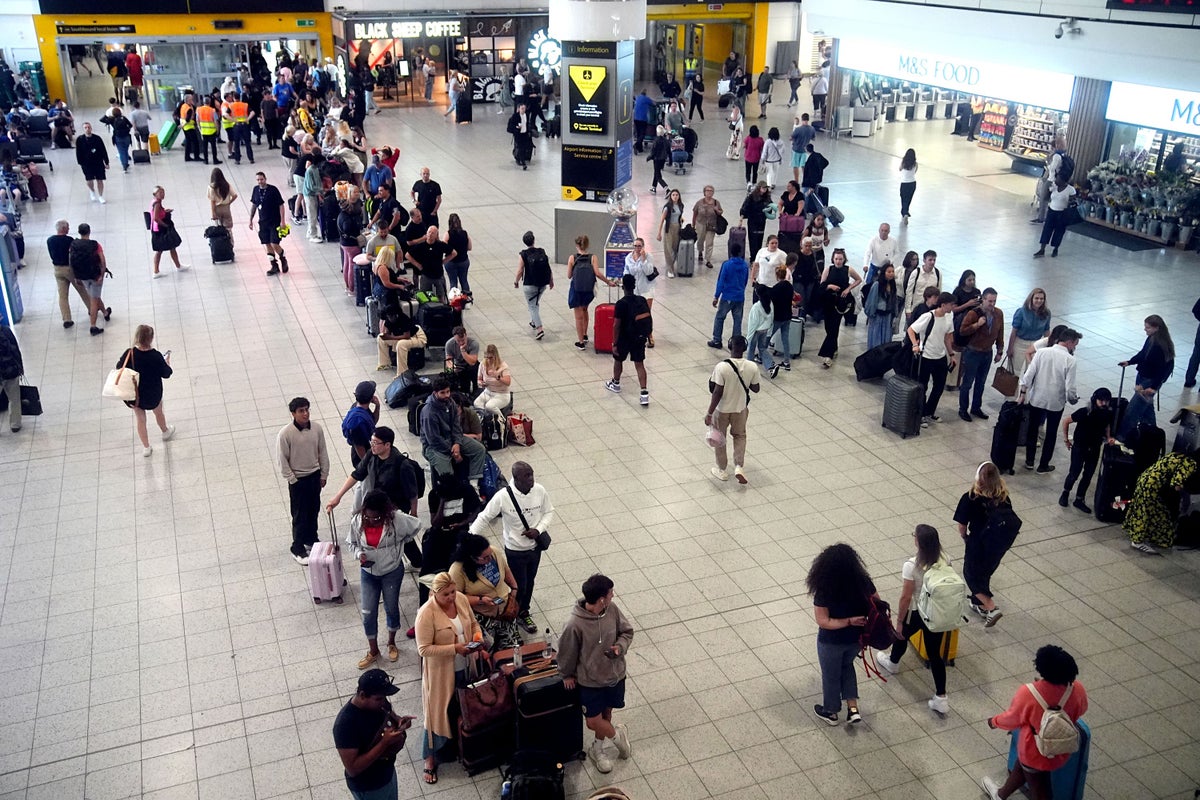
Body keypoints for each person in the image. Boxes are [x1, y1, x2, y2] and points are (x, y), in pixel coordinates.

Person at [981, 645, 1088, 800]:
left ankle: (1000, 795)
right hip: (1061, 748)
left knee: (1039, 789)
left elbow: (1013, 718)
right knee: (1023, 768)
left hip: (1034, 751)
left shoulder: (1028, 693)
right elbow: (1081, 709)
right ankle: (1000, 794)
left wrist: (994, 721)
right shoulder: (1077, 689)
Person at [558, 574, 634, 774]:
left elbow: (626, 632)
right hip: (590, 681)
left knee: (606, 714)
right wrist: (566, 675)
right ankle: (618, 737)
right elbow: (566, 652)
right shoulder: (574, 624)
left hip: (615, 675)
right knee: (593, 721)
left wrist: (620, 647)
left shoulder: (612, 610)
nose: (613, 596)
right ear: (601, 598)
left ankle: (597, 749)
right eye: (610, 593)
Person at [414, 572, 484, 785]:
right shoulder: (426, 614)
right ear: (434, 593)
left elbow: (473, 622)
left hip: (466, 665)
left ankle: (457, 746)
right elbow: (423, 649)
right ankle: (430, 758)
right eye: (446, 594)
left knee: (462, 707)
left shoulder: (461, 599)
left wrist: (478, 638)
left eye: (453, 591)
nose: (452, 597)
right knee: (437, 713)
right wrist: (454, 648)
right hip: (441, 673)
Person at [469, 461, 554, 635]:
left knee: (530, 581)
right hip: (515, 550)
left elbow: (548, 512)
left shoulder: (539, 490)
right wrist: (470, 538)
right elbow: (484, 517)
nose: (531, 479)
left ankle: (523, 611)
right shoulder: (503, 496)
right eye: (527, 476)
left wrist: (538, 530)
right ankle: (513, 615)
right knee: (519, 585)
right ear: (515, 478)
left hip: (535, 548)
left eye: (531, 474)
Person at [875, 525, 951, 714]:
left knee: (901, 636)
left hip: (917, 611)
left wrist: (899, 621)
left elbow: (906, 597)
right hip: (937, 613)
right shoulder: (946, 559)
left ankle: (893, 663)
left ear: (918, 541)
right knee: (935, 654)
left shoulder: (911, 565)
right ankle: (941, 697)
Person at [345, 489, 422, 669]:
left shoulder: (397, 519)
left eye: (377, 518)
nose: (372, 521)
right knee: (367, 612)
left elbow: (416, 525)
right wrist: (359, 554)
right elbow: (351, 542)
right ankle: (373, 651)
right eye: (368, 517)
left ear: (385, 513)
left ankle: (391, 643)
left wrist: (400, 544)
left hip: (392, 571)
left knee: (391, 607)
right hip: (369, 572)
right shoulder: (357, 521)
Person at [807, 543, 879, 725]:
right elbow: (878, 603)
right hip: (856, 639)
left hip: (831, 641)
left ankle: (830, 712)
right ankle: (853, 708)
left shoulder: (824, 588)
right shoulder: (863, 582)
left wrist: (847, 620)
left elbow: (824, 621)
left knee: (831, 675)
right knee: (846, 666)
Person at [333, 668, 412, 800]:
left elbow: (389, 714)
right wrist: (384, 743)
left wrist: (399, 721)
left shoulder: (379, 702)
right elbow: (353, 768)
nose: (384, 702)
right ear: (363, 695)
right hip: (369, 787)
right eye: (379, 699)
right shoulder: (345, 724)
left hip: (387, 773)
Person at [954, 462, 1015, 626]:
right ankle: (978, 603)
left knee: (971, 574)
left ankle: (991, 607)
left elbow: (961, 524)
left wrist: (964, 537)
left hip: (978, 543)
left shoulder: (971, 497)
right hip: (997, 545)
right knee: (985, 573)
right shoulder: (1003, 497)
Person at [1020, 328, 1081, 472]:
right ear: (1069, 342)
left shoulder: (1041, 353)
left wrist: (1023, 392)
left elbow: (1029, 375)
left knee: (1032, 430)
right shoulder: (1070, 360)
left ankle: (1029, 461)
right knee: (1051, 433)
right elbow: (1070, 387)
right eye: (1075, 345)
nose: (1075, 348)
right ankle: (1043, 465)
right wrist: (1073, 399)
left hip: (1037, 398)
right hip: (1055, 402)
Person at [277, 397, 329, 565]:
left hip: (314, 476)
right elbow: (282, 460)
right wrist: (292, 480)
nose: (305, 413)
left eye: (307, 409)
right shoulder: (286, 434)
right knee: (299, 514)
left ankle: (311, 538)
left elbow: (322, 452)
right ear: (293, 413)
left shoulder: (317, 429)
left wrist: (323, 474)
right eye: (301, 411)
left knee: (313, 509)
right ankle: (297, 547)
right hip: (298, 479)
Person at [706, 335, 761, 483]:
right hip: (740, 409)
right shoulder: (752, 366)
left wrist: (709, 412)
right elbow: (756, 389)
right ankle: (738, 466)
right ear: (745, 348)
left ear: (730, 347)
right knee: (740, 436)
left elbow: (716, 392)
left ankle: (722, 469)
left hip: (722, 410)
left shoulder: (722, 367)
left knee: (719, 438)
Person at [449, 533, 519, 648]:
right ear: (472, 557)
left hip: (505, 612)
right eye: (485, 558)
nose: (490, 558)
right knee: (488, 649)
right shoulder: (457, 571)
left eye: (490, 554)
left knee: (509, 649)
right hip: (482, 618)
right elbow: (455, 597)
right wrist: (480, 600)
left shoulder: (494, 553)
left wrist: (514, 589)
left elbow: (505, 569)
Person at [117, 325, 176, 457]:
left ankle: (146, 447)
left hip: (134, 395)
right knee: (158, 412)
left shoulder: (129, 353)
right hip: (153, 395)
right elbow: (167, 373)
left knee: (140, 419)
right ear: (151, 339)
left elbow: (119, 367)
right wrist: (166, 363)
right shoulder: (155, 356)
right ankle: (165, 431)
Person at [1117, 315, 1175, 441]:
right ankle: (1152, 435)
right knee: (1147, 409)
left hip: (1149, 381)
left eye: (1148, 327)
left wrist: (1153, 387)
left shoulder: (1159, 346)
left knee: (1133, 410)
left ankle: (1122, 437)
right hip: (1143, 377)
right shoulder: (1152, 339)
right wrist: (1130, 361)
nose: (1145, 330)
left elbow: (1161, 369)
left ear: (1156, 328)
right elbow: (1143, 354)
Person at [419, 376, 487, 482]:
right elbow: (434, 440)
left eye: (448, 391)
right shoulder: (428, 413)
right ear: (435, 393)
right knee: (448, 475)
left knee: (479, 450)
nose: (446, 395)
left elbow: (456, 426)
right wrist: (454, 453)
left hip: (452, 439)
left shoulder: (451, 403)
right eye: (443, 393)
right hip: (434, 447)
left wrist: (457, 443)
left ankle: (474, 483)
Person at [1059, 388, 1115, 513]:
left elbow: (1107, 425)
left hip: (1095, 448)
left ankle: (1079, 499)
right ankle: (1065, 493)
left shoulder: (1107, 413)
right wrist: (1066, 440)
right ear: (1095, 399)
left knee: (1088, 475)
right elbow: (1066, 421)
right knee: (1074, 473)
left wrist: (1109, 437)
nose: (1104, 404)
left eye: (1106, 401)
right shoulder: (1085, 412)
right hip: (1080, 447)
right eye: (1101, 401)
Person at [907, 291, 957, 424]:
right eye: (951, 305)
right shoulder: (928, 316)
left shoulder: (949, 316)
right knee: (923, 387)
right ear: (943, 304)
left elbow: (947, 337)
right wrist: (914, 345)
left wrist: (951, 354)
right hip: (926, 356)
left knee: (939, 386)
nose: (953, 307)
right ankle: (920, 414)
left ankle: (929, 412)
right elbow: (911, 329)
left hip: (940, 356)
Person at [957, 288, 1005, 422]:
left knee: (981, 382)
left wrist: (999, 350)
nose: (992, 304)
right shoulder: (974, 313)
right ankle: (963, 409)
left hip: (987, 353)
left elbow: (1000, 333)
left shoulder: (998, 314)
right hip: (973, 352)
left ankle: (976, 407)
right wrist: (976, 325)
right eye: (989, 301)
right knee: (967, 383)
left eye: (994, 301)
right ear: (983, 299)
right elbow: (963, 331)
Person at [606, 274, 652, 403]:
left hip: (624, 338)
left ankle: (615, 383)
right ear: (634, 286)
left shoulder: (621, 304)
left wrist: (614, 343)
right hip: (639, 337)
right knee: (639, 364)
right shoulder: (642, 300)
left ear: (623, 287)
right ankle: (644, 393)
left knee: (618, 360)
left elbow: (616, 325)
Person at [567, 235, 616, 350]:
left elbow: (569, 275)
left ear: (577, 245)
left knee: (578, 317)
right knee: (585, 309)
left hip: (576, 290)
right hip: (588, 290)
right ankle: (585, 335)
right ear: (587, 245)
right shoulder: (592, 258)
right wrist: (608, 282)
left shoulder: (572, 258)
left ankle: (581, 342)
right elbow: (597, 273)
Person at [817, 248, 863, 369]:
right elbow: (821, 286)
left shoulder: (848, 270)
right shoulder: (828, 269)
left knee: (834, 327)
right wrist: (829, 286)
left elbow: (859, 279)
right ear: (833, 259)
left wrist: (849, 288)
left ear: (844, 259)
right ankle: (834, 347)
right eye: (836, 259)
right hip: (828, 302)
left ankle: (827, 355)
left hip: (840, 303)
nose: (838, 261)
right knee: (829, 327)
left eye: (840, 259)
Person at [68, 223, 110, 336]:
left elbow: (71, 261)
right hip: (95, 276)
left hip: (82, 275)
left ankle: (106, 313)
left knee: (94, 296)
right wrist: (101, 275)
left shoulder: (74, 245)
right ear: (89, 231)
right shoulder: (95, 245)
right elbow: (102, 261)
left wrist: (76, 277)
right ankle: (93, 326)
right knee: (93, 300)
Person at [46, 219, 90, 330]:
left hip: (57, 269)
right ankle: (91, 308)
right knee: (82, 290)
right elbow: (73, 256)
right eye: (68, 227)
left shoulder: (49, 240)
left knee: (63, 296)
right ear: (64, 228)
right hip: (69, 269)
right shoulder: (69, 240)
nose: (69, 229)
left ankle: (67, 319)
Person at [709, 243, 750, 348]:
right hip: (740, 296)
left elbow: (721, 281)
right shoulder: (745, 265)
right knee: (737, 320)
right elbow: (745, 281)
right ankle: (736, 343)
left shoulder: (727, 265)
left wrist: (716, 296)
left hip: (727, 296)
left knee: (720, 317)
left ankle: (717, 340)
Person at [248, 171, 289, 276]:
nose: (260, 182)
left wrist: (282, 221)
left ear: (265, 179)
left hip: (274, 221)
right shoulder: (256, 190)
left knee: (275, 243)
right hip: (263, 222)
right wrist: (250, 219)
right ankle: (273, 265)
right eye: (258, 180)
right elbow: (254, 205)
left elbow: (281, 205)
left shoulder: (273, 190)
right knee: (266, 243)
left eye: (261, 179)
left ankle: (283, 259)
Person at [1005, 288, 1051, 380]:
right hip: (1020, 343)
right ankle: (1011, 394)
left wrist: (1048, 348)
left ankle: (1026, 394)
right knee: (1014, 371)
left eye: (1041, 299)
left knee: (1032, 371)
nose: (1039, 301)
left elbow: (1046, 331)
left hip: (1036, 344)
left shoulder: (1046, 313)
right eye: (1036, 298)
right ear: (1031, 298)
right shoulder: (1021, 312)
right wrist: (1010, 348)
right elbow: (1014, 331)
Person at [514, 231, 552, 340]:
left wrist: (516, 282)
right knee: (535, 303)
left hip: (530, 285)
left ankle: (539, 329)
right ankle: (534, 321)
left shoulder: (523, 254)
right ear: (534, 240)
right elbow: (548, 267)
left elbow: (520, 270)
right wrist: (551, 280)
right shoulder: (541, 251)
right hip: (542, 284)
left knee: (532, 306)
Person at [622, 238, 657, 348]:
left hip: (646, 289)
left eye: (639, 246)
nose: (637, 248)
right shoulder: (628, 258)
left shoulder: (648, 257)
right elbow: (627, 272)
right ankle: (634, 334)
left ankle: (649, 335)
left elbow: (649, 271)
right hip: (635, 290)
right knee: (633, 313)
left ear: (643, 246)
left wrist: (643, 260)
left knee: (646, 313)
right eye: (635, 246)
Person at [405, 225, 453, 302]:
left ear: (436, 235)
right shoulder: (421, 246)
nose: (430, 234)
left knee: (441, 296)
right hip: (426, 275)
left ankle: (442, 309)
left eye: (433, 233)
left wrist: (444, 261)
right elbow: (407, 255)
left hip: (438, 275)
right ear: (426, 233)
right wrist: (417, 265)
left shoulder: (440, 245)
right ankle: (426, 310)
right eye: (429, 232)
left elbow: (453, 253)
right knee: (424, 296)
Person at [1033, 175, 1077, 258]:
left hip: (1062, 213)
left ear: (1064, 181)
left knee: (1059, 231)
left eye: (1058, 179)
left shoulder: (1071, 190)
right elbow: (1046, 198)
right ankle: (1042, 249)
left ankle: (1055, 248)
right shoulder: (1054, 187)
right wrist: (1049, 189)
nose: (1056, 180)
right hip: (1051, 211)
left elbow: (1073, 202)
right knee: (1046, 229)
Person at [340, 380, 381, 466]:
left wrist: (377, 406)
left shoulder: (361, 408)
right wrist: (367, 465)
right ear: (371, 397)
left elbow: (373, 421)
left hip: (366, 447)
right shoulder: (357, 422)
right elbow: (359, 446)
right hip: (361, 456)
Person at [149, 186, 186, 277]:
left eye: (163, 192)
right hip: (160, 229)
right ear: (155, 194)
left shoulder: (155, 202)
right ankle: (156, 271)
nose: (163, 194)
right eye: (160, 193)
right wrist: (166, 226)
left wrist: (165, 211)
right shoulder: (157, 204)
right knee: (160, 250)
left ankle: (177, 266)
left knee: (171, 247)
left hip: (156, 228)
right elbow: (156, 218)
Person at [865, 263, 902, 350]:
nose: (891, 273)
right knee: (876, 337)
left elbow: (894, 300)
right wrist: (871, 314)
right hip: (877, 316)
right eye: (889, 271)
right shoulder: (877, 285)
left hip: (888, 316)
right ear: (883, 273)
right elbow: (872, 301)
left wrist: (895, 314)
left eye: (892, 271)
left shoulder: (893, 285)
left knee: (886, 338)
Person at [1032, 135, 1067, 224]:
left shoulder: (1056, 156)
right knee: (1052, 199)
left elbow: (1052, 168)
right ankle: (1046, 218)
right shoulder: (1063, 154)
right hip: (1058, 180)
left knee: (1043, 198)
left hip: (1051, 179)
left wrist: (1047, 162)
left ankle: (1041, 218)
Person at [745, 284, 777, 380]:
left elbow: (753, 323)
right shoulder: (770, 303)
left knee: (751, 349)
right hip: (765, 330)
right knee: (762, 348)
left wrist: (748, 337)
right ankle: (771, 366)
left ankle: (748, 370)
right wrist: (769, 331)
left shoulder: (756, 307)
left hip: (756, 331)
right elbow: (772, 317)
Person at [769, 264, 796, 371]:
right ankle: (786, 361)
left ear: (777, 276)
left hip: (778, 317)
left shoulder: (775, 289)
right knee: (785, 339)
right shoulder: (790, 286)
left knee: (768, 336)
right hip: (788, 315)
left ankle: (762, 355)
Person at [75, 122, 109, 204]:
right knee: (89, 179)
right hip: (86, 163)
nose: (87, 129)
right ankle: (92, 190)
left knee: (100, 179)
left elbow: (103, 150)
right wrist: (81, 162)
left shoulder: (97, 138)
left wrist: (106, 161)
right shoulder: (80, 139)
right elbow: (78, 152)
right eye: (85, 127)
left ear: (91, 128)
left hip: (98, 162)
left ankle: (100, 196)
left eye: (88, 127)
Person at [691, 185, 723, 270]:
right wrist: (693, 225)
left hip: (711, 225)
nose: (709, 192)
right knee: (700, 240)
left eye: (711, 191)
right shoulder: (699, 202)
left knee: (709, 242)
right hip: (701, 223)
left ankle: (708, 260)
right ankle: (700, 251)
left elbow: (720, 212)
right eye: (707, 190)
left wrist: (717, 210)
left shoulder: (716, 202)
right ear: (704, 192)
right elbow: (695, 214)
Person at [474, 344, 513, 414]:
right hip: (488, 391)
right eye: (486, 357)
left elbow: (508, 382)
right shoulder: (482, 364)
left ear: (495, 356)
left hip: (502, 394)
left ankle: (501, 421)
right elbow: (479, 379)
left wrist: (498, 377)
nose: (488, 360)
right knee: (477, 403)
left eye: (491, 358)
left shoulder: (503, 366)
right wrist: (481, 383)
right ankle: (486, 419)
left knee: (490, 406)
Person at [902, 250, 941, 316]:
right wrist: (908, 309)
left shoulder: (937, 273)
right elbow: (909, 291)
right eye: (930, 260)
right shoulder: (916, 272)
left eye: (934, 260)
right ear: (924, 260)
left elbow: (939, 290)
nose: (932, 262)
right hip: (916, 308)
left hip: (930, 309)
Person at [655, 189, 684, 278]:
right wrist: (659, 233)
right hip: (669, 228)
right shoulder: (667, 207)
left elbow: (679, 215)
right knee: (668, 248)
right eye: (673, 195)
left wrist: (681, 220)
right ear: (670, 197)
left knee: (675, 248)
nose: (675, 196)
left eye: (677, 195)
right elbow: (662, 220)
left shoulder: (680, 206)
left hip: (677, 227)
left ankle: (670, 264)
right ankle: (670, 269)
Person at [0, 323, 23, 434]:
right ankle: (15, 424)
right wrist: (20, 367)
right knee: (14, 399)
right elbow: (15, 350)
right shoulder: (6, 331)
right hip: (11, 370)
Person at [444, 326, 481, 394]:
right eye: (458, 341)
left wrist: (463, 351)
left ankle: (476, 390)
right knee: (448, 372)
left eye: (463, 340)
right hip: (458, 365)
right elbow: (448, 360)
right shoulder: (449, 344)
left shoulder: (473, 343)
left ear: (466, 335)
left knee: (475, 368)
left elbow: (472, 362)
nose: (461, 343)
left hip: (471, 365)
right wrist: (452, 368)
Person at [443, 213, 471, 298]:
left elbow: (444, 246)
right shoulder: (465, 233)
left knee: (453, 282)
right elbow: (469, 247)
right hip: (464, 261)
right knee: (464, 281)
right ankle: (467, 299)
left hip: (451, 262)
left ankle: (455, 300)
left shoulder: (448, 234)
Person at [740, 181, 772, 257]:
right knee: (753, 239)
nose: (764, 190)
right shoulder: (751, 197)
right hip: (753, 221)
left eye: (765, 188)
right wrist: (741, 219)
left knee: (759, 239)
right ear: (759, 188)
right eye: (763, 188)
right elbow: (745, 207)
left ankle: (758, 256)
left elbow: (771, 206)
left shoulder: (767, 197)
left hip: (761, 221)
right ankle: (753, 257)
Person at [208, 167, 238, 237]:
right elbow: (235, 195)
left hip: (217, 208)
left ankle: (221, 243)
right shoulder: (227, 185)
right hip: (226, 208)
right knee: (228, 227)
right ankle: (230, 243)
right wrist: (229, 203)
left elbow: (212, 201)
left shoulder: (211, 187)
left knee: (218, 228)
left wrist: (213, 212)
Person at [105, 107, 134, 172]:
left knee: (121, 151)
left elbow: (102, 120)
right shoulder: (123, 118)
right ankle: (126, 163)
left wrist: (108, 116)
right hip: (126, 137)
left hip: (118, 137)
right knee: (126, 150)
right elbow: (130, 125)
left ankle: (124, 165)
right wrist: (127, 129)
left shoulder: (112, 119)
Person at [790, 113, 816, 182]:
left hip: (796, 149)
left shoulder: (798, 129)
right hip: (805, 150)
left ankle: (796, 181)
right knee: (804, 166)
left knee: (795, 166)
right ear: (808, 119)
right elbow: (813, 138)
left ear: (802, 119)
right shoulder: (812, 129)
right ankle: (805, 180)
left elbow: (791, 138)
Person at [647, 125, 671, 194]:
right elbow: (669, 152)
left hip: (657, 160)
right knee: (656, 172)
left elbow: (653, 151)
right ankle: (654, 187)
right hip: (663, 159)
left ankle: (666, 189)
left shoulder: (656, 140)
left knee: (658, 176)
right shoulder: (666, 141)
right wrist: (670, 161)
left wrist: (649, 157)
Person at [633, 90, 655, 154]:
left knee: (638, 134)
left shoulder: (638, 97)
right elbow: (654, 103)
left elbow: (634, 98)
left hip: (636, 119)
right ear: (645, 94)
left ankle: (640, 149)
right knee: (642, 134)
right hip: (643, 119)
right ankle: (636, 145)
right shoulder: (646, 99)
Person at [899, 148, 918, 221]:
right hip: (913, 183)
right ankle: (905, 211)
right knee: (909, 198)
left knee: (903, 198)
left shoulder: (903, 162)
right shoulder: (915, 163)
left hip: (904, 183)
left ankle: (905, 213)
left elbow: (900, 169)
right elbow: (915, 171)